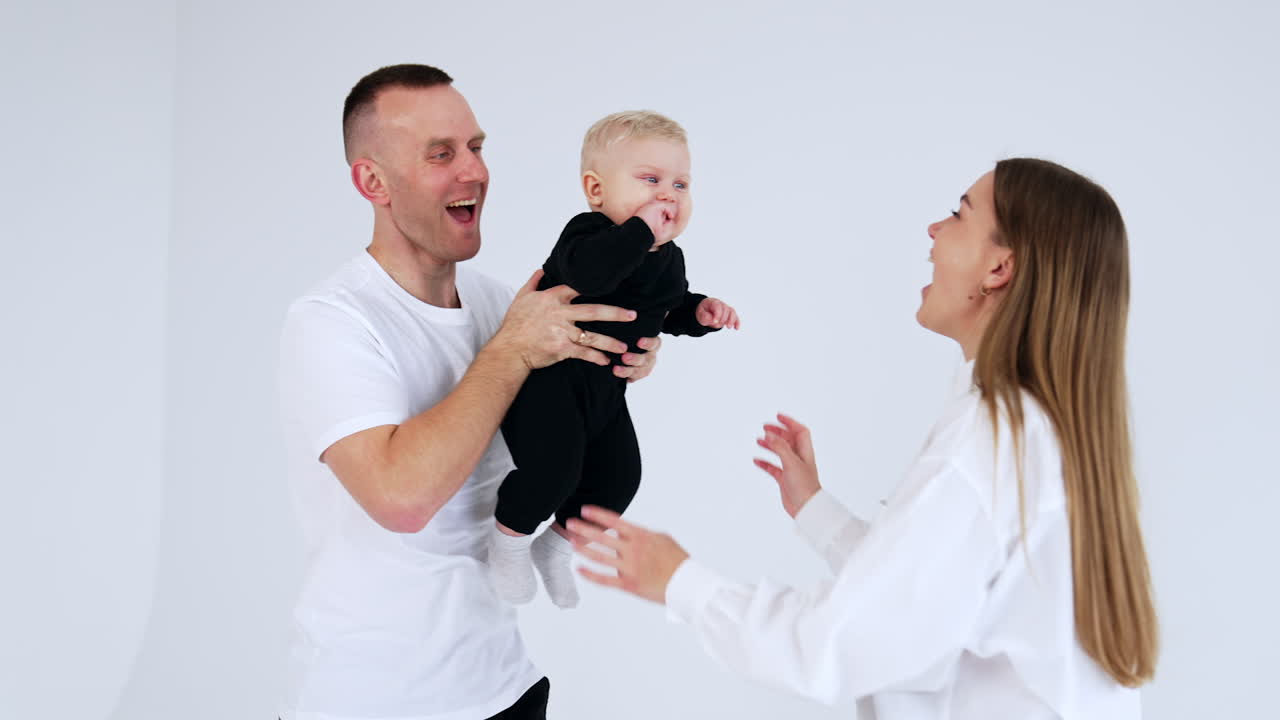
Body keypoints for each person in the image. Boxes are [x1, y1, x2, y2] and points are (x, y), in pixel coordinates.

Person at [568, 158, 1160, 719]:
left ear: (999, 268)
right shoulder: (1036, 428)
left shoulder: (987, 445)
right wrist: (815, 510)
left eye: (959, 214)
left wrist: (680, 582)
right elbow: (933, 601)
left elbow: (844, 643)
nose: (933, 228)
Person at [276, 64, 665, 720]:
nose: (473, 171)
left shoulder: (498, 302)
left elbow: (565, 421)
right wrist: (512, 350)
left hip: (501, 689)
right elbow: (401, 498)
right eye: (441, 154)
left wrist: (632, 350)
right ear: (373, 182)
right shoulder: (330, 321)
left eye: (477, 148)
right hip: (369, 703)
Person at [486, 110, 740, 608]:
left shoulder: (668, 257)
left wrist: (699, 312)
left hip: (606, 393)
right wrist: (639, 233)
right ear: (597, 190)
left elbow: (667, 304)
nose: (668, 195)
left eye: (681, 184)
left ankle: (556, 547)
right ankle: (508, 541)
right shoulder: (588, 235)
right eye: (650, 180)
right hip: (551, 383)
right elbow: (594, 274)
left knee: (621, 478)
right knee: (552, 472)